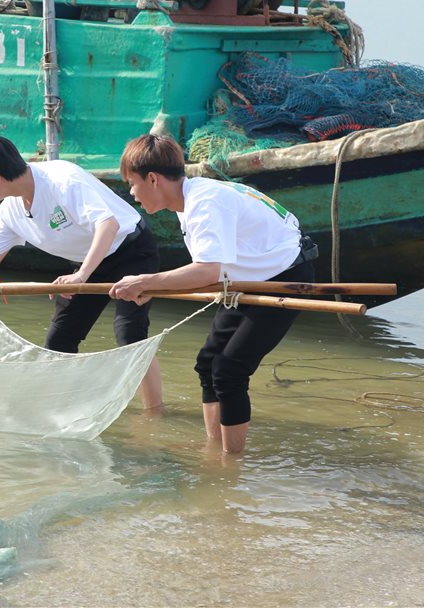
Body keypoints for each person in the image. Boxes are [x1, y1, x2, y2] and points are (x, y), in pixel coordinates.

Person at [0, 135, 163, 410]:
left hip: (130, 250)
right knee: (59, 340)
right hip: (88, 261)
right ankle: (62, 409)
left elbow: (108, 225)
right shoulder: (10, 211)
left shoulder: (62, 180)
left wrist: (80, 277)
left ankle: (155, 413)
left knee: (130, 335)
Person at [109, 134, 317, 453]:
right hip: (248, 278)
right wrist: (152, 287)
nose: (133, 194)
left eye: (132, 184)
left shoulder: (204, 203)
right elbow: (210, 271)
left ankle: (230, 463)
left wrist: (146, 280)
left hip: (283, 276)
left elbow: (206, 271)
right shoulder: (188, 200)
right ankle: (213, 450)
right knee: (208, 364)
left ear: (153, 179)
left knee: (229, 370)